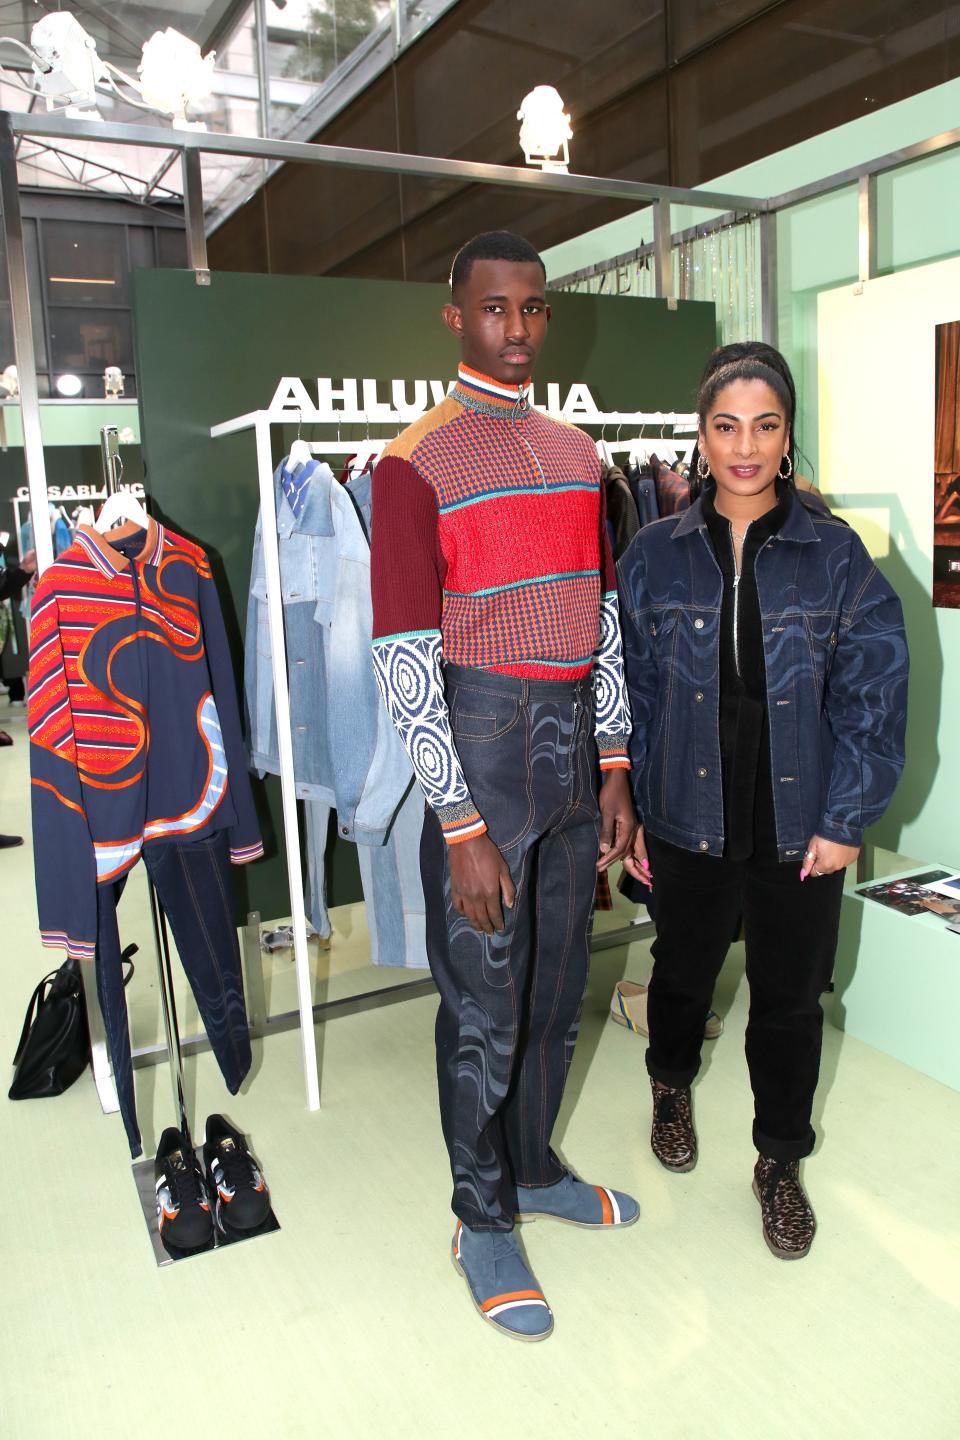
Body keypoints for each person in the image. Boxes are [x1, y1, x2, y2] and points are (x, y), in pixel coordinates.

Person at [370, 230, 639, 1342]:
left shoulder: (581, 454)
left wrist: (614, 763)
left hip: (571, 732)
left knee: (561, 979)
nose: (517, 331)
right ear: (455, 317)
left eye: (532, 309)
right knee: (484, 1001)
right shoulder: (411, 461)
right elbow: (398, 652)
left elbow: (606, 614)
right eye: (494, 310)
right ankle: (479, 1218)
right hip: (480, 736)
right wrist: (458, 820)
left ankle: (531, 1170)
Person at [618, 349, 908, 1259]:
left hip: (799, 825)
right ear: (700, 437)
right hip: (681, 814)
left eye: (766, 425)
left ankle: (778, 1163)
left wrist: (846, 817)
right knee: (679, 974)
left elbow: (876, 690)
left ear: (788, 437)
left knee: (790, 1001)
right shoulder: (653, 553)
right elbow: (623, 685)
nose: (745, 447)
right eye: (726, 425)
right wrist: (623, 792)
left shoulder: (834, 555)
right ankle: (670, 1083)